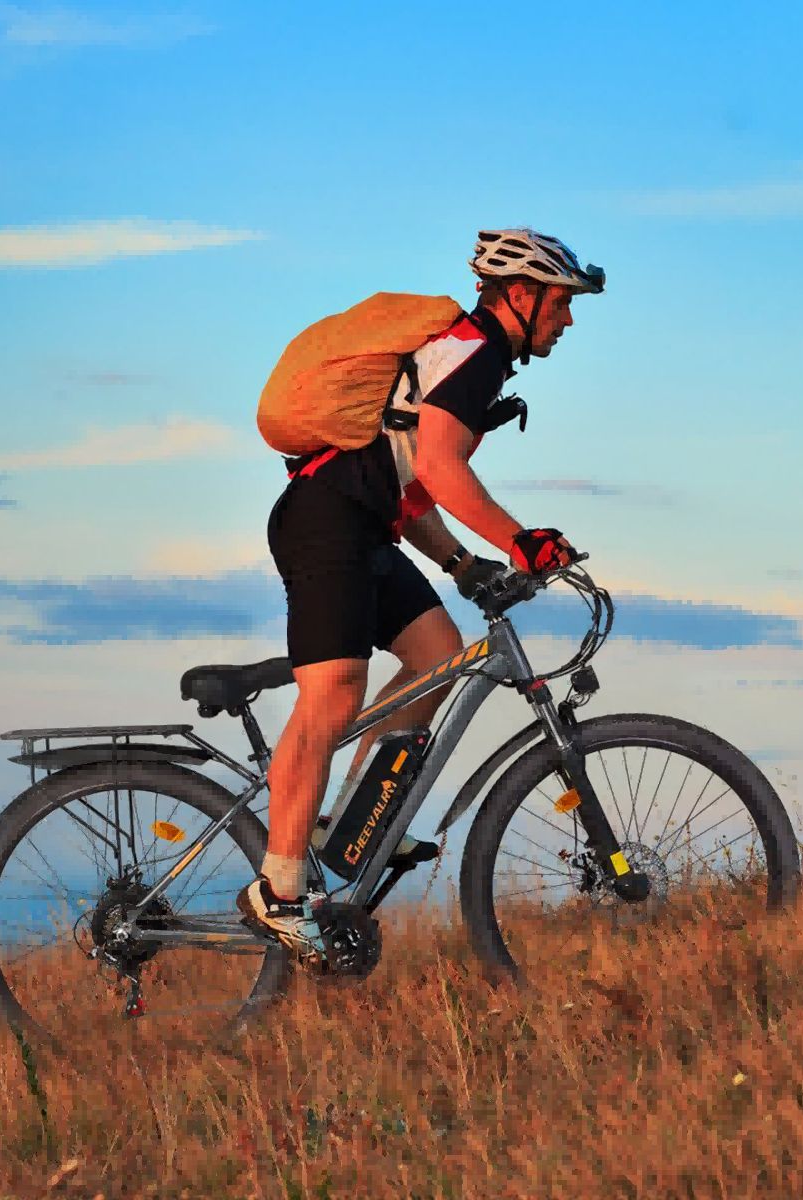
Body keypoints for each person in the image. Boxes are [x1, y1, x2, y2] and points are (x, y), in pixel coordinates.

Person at [237, 228, 606, 952]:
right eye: (562, 303)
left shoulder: (467, 357)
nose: (567, 320)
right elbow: (440, 466)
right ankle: (279, 888)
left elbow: (403, 475)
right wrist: (519, 540)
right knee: (334, 689)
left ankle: (346, 823)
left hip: (362, 523)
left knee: (439, 656)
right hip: (324, 522)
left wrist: (463, 565)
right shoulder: (473, 353)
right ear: (522, 295)